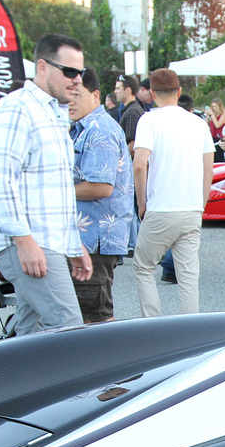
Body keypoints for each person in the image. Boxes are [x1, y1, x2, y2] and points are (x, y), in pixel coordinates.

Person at [0, 33, 94, 335]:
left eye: (80, 73)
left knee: (31, 330)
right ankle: (79, 385)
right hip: (30, 242)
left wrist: (74, 245)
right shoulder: (17, 108)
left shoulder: (53, 113)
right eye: (69, 72)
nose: (77, 80)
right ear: (42, 67)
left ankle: (7, 381)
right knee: (68, 326)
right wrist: (24, 241)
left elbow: (53, 190)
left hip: (47, 241)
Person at [131, 67, 213, 317]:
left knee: (144, 267)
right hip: (191, 207)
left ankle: (152, 326)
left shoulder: (149, 120)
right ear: (179, 92)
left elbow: (139, 164)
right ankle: (190, 332)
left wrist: (141, 203)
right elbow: (207, 168)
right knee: (188, 276)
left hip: (161, 207)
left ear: (152, 93)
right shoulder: (198, 123)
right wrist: (201, 204)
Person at [61, 68, 134, 325]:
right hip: (87, 238)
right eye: (66, 95)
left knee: (96, 319)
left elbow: (101, 187)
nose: (69, 102)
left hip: (94, 240)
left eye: (76, 95)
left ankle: (114, 365)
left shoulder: (99, 130)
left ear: (95, 96)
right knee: (87, 317)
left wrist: (56, 192)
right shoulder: (82, 127)